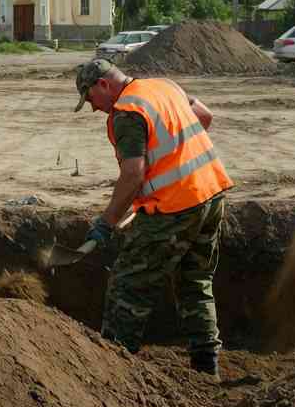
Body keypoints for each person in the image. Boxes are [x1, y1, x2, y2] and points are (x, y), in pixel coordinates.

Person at [74, 58, 233, 379]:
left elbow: (133, 174)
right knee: (195, 282)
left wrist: (106, 222)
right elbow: (205, 117)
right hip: (211, 193)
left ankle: (114, 371)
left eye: (90, 98)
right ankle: (207, 369)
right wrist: (175, 156)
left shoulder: (127, 112)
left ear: (103, 84)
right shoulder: (164, 86)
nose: (93, 107)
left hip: (175, 207)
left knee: (128, 285)